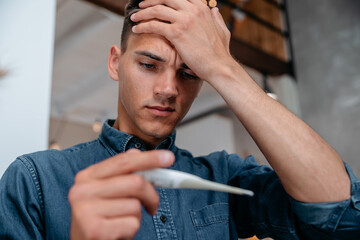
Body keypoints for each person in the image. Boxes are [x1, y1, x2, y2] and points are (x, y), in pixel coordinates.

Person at [1, 0, 359, 239]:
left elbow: (343, 215)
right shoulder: (35, 179)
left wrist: (223, 66)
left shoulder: (224, 178)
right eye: (148, 65)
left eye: (189, 73)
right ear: (115, 62)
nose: (168, 88)